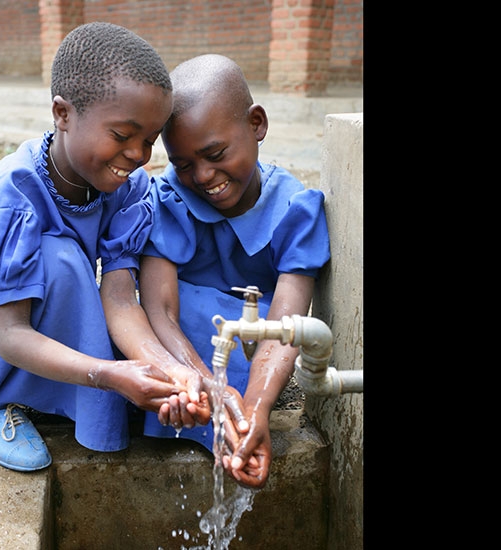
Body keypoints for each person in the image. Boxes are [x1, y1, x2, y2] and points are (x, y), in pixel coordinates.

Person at [0, 22, 221, 472]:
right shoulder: (10, 197)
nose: (137, 155)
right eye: (122, 135)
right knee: (63, 261)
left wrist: (171, 370)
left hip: (49, 296)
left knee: (69, 270)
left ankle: (66, 392)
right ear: (63, 114)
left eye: (149, 140)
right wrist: (108, 374)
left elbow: (118, 297)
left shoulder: (128, 188)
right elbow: (11, 334)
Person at [138, 54, 331, 489]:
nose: (203, 176)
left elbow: (286, 324)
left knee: (254, 330)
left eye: (215, 153)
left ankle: (239, 433)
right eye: (183, 163)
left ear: (257, 124)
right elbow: (158, 309)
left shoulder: (294, 210)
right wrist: (203, 384)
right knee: (175, 319)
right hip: (181, 352)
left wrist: (259, 408)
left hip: (248, 351)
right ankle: (198, 416)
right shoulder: (170, 198)